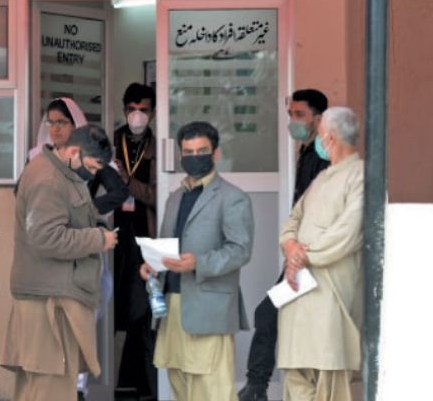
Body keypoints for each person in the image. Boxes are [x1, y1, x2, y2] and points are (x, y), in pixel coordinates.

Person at [0, 125, 118, 401]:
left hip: (52, 295)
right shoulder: (49, 179)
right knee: (48, 389)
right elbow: (46, 237)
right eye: (91, 167)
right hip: (49, 302)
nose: (93, 174)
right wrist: (97, 239)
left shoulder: (59, 172)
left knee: (42, 387)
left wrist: (93, 226)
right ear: (74, 152)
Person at [141, 121, 254, 401]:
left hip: (209, 309)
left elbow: (240, 250)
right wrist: (152, 264)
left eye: (201, 150)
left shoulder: (233, 197)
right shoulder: (174, 198)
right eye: (188, 152)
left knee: (212, 393)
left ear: (215, 154)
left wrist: (198, 263)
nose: (194, 157)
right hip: (173, 307)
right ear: (180, 155)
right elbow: (166, 246)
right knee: (180, 387)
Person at [29, 98, 129, 401]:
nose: (56, 128)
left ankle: (78, 387)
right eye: (51, 122)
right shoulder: (37, 158)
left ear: (76, 126)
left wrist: (88, 210)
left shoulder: (90, 158)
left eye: (63, 122)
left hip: (83, 247)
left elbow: (119, 190)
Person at [239, 89, 329, 401]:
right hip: (300, 256)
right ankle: (257, 387)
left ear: (318, 119)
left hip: (315, 258)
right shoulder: (308, 152)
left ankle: (256, 387)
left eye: (299, 115)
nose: (292, 121)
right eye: (290, 114)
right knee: (274, 316)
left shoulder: (324, 157)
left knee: (270, 313)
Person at [277, 107, 363, 401]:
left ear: (330, 136)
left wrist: (301, 257)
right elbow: (292, 222)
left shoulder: (361, 176)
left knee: (329, 379)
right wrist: (290, 247)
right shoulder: (322, 178)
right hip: (297, 291)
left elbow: (348, 232)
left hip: (330, 294)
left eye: (320, 133)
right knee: (295, 372)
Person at [113, 82, 158, 399]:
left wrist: (129, 181)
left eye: (143, 109)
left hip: (146, 233)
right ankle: (120, 382)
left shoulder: (158, 145)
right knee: (116, 306)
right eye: (131, 109)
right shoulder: (113, 142)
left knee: (142, 309)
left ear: (152, 112)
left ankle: (142, 384)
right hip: (115, 236)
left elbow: (156, 195)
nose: (137, 115)